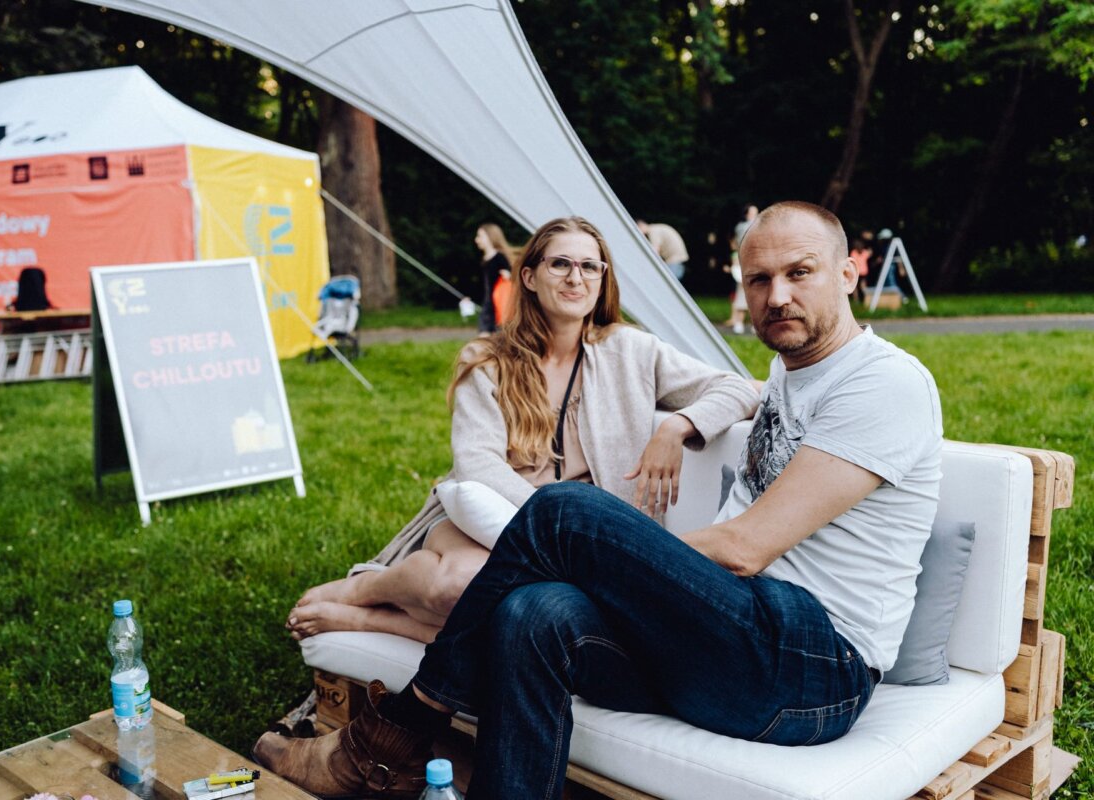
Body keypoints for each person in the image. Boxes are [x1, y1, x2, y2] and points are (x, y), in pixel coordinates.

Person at [255, 201, 943, 799]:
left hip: (813, 667)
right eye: (757, 279)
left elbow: (743, 548)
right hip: (730, 646)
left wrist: (612, 548)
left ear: (849, 273)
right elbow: (479, 465)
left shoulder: (883, 383)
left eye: (800, 273)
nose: (776, 296)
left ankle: (390, 740)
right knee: (534, 610)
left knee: (563, 513)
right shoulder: (788, 374)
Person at [287, 216, 758, 645]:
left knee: (515, 613)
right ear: (529, 277)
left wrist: (678, 425)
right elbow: (475, 463)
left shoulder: (632, 351)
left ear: (602, 282)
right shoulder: (488, 360)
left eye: (591, 268)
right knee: (456, 584)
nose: (577, 278)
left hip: (581, 545)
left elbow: (742, 388)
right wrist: (553, 522)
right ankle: (368, 587)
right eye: (561, 264)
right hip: (490, 519)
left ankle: (374, 619)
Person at [473, 223, 513, 336]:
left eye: (480, 236)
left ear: (490, 237)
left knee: (497, 337)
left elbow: (511, 279)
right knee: (485, 337)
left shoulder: (500, 258)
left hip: (499, 304)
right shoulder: (484, 259)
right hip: (487, 305)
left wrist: (508, 275)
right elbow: (482, 285)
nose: (477, 240)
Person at [726, 204, 758, 333]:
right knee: (742, 294)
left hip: (755, 263)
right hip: (744, 264)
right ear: (746, 214)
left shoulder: (757, 226)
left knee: (757, 296)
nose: (755, 215)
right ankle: (738, 323)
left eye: (757, 212)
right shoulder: (742, 227)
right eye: (753, 213)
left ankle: (755, 325)